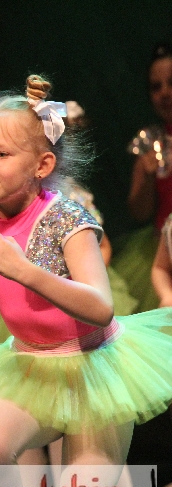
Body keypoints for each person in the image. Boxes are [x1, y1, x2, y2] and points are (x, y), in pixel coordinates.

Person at [0, 75, 172, 487]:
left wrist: (26, 272)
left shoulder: (67, 220)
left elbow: (100, 306)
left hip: (94, 373)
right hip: (32, 366)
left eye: (2, 154)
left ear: (41, 164)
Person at [111, 40, 172, 313]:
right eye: (156, 87)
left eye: (171, 83)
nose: (165, 93)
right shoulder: (151, 142)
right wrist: (147, 178)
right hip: (164, 252)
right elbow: (140, 212)